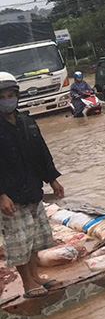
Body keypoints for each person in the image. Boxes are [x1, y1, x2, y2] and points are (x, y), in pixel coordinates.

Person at [0, 72, 65, 298]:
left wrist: (52, 179)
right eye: (3, 97)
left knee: (35, 239)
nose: (8, 100)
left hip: (32, 190)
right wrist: (1, 195)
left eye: (11, 95)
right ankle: (28, 284)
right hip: (11, 196)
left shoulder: (27, 122)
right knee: (20, 243)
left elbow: (41, 154)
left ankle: (36, 276)